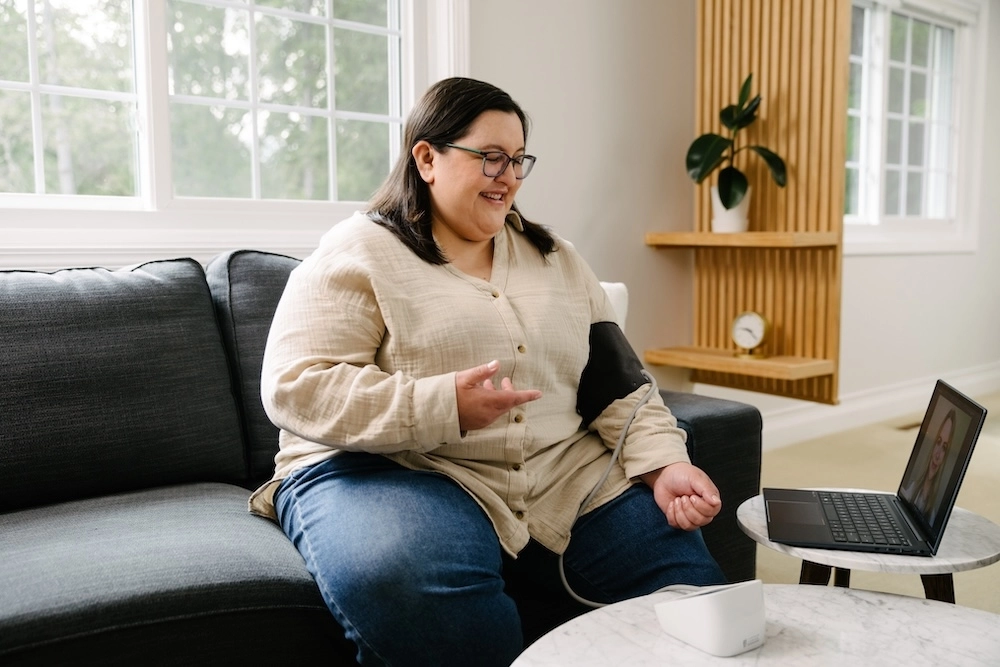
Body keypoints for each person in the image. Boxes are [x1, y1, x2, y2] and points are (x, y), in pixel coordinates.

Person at [250, 76, 726, 666]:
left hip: (561, 474)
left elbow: (619, 382)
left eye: (519, 159)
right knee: (413, 584)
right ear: (426, 157)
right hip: (391, 468)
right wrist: (442, 405)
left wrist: (663, 461)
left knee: (698, 600)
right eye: (490, 157)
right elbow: (299, 386)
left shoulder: (555, 257)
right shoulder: (357, 251)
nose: (510, 176)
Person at [902, 408, 957, 520]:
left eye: (944, 448)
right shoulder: (913, 488)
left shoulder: (932, 517)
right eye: (938, 441)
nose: (937, 454)